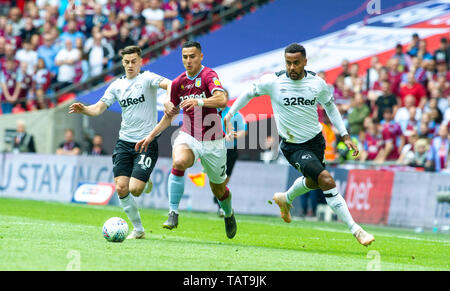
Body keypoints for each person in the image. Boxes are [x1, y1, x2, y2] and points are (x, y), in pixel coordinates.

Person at [224, 43, 374, 246]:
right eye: (288, 63)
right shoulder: (273, 82)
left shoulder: (317, 83)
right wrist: (231, 114)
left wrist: (345, 135)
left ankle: (285, 198)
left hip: (316, 141)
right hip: (293, 146)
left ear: (305, 62)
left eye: (296, 63)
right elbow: (249, 93)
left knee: (313, 182)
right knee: (326, 180)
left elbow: (330, 107)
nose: (292, 67)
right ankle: (357, 230)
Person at [135, 40, 237, 239]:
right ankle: (173, 212)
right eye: (185, 57)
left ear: (201, 57)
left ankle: (229, 212)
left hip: (214, 141)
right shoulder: (177, 83)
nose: (188, 61)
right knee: (180, 161)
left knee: (219, 188)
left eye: (192, 56)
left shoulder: (209, 75)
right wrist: (151, 135)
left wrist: (199, 101)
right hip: (189, 135)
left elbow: (222, 100)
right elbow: (169, 115)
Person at [69, 45, 172, 239]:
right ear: (122, 63)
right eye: (127, 62)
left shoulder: (147, 78)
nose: (130, 65)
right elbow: (98, 108)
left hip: (146, 141)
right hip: (124, 142)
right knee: (121, 188)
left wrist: (167, 99)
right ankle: (139, 229)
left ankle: (144, 179)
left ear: (140, 61)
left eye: (134, 61)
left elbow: (171, 83)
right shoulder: (117, 85)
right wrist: (84, 109)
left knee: (136, 189)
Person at [213, 88, 248, 217]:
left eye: (225, 95)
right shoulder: (210, 112)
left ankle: (219, 201)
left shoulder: (234, 113)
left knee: (224, 180)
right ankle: (220, 205)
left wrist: (234, 135)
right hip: (214, 149)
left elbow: (243, 130)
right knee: (217, 178)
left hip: (230, 150)